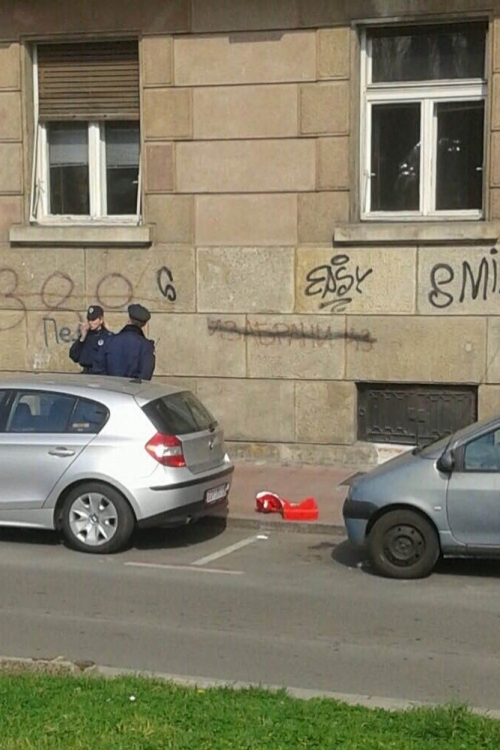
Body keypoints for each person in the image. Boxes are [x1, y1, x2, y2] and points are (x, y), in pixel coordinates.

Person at [97, 303, 155, 380]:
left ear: (129, 319)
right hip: (134, 387)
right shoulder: (146, 346)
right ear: (143, 324)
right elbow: (146, 375)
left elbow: (98, 369)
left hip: (110, 386)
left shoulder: (110, 340)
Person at [69, 305, 113, 374]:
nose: (90, 322)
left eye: (93, 320)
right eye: (89, 320)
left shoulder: (108, 337)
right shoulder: (86, 335)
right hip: (86, 373)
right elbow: (74, 355)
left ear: (101, 320)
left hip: (100, 374)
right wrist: (82, 339)